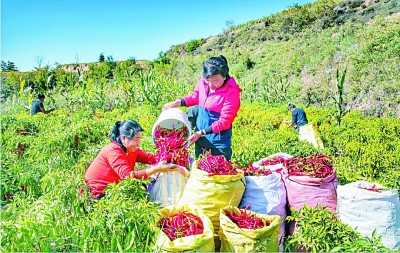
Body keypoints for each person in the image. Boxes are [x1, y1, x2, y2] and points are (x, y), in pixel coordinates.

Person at [162, 55, 242, 161]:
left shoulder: (232, 92)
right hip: (200, 138)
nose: (210, 85)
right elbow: (195, 97)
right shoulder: (203, 82)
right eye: (208, 80)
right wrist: (176, 103)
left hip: (217, 142)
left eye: (215, 81)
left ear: (224, 76)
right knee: (200, 169)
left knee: (219, 173)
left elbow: (224, 121)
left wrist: (201, 133)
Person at [85, 120, 176, 199]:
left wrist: (170, 156)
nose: (138, 143)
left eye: (140, 138)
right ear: (123, 138)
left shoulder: (131, 149)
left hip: (113, 189)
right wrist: (156, 169)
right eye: (136, 139)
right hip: (99, 194)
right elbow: (128, 177)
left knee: (143, 187)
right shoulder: (113, 151)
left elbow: (150, 158)